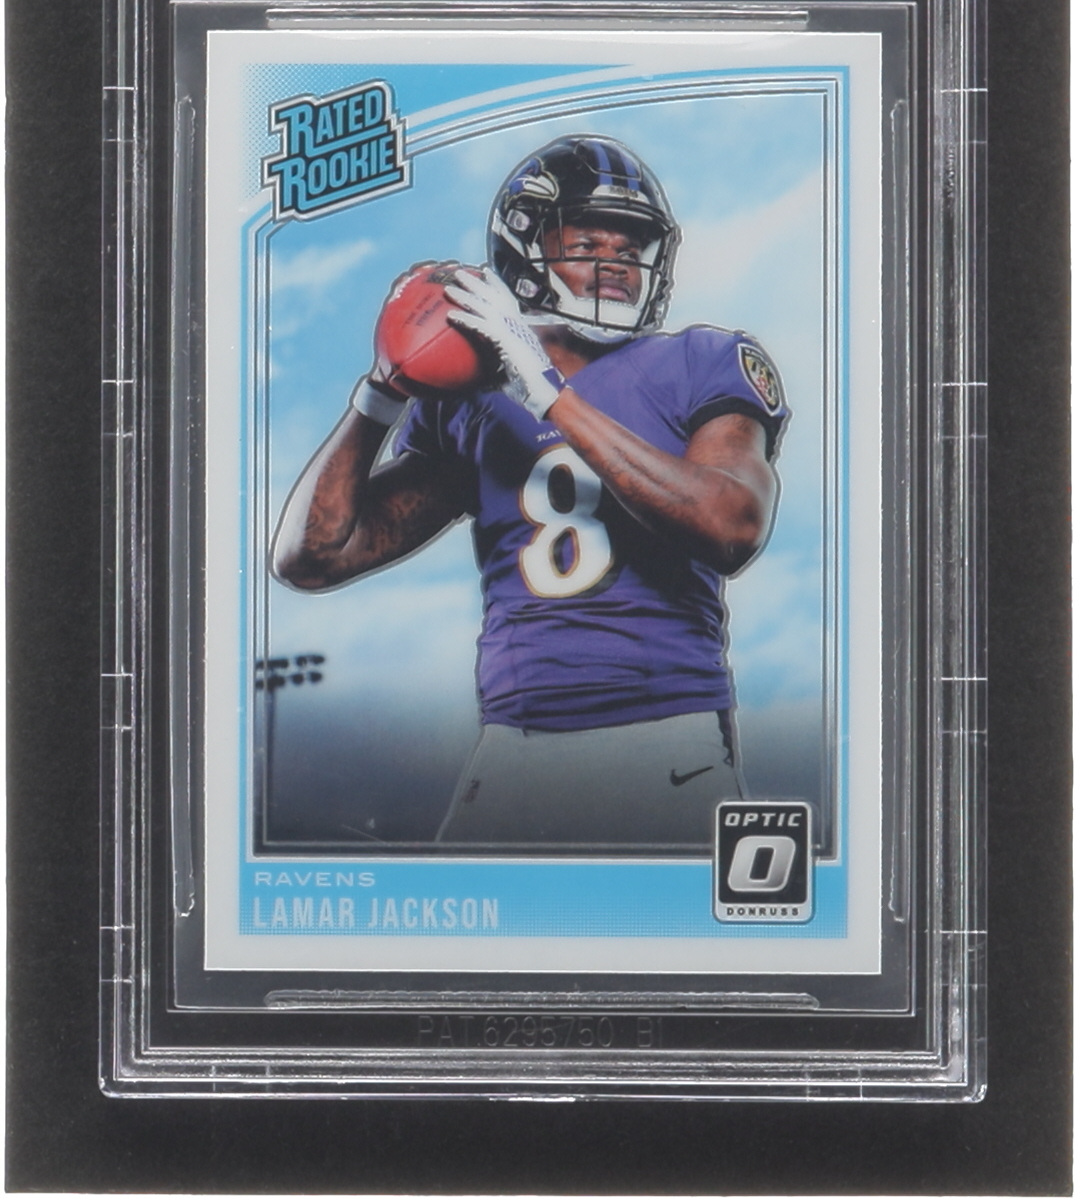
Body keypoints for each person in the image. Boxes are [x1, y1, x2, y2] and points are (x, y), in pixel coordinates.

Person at [271, 135, 788, 847]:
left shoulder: (703, 360)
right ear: (524, 250)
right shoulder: (472, 401)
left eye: (631, 244)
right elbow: (311, 556)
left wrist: (546, 393)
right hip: (511, 749)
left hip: (667, 739)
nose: (616, 261)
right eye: (587, 242)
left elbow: (731, 525)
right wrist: (383, 391)